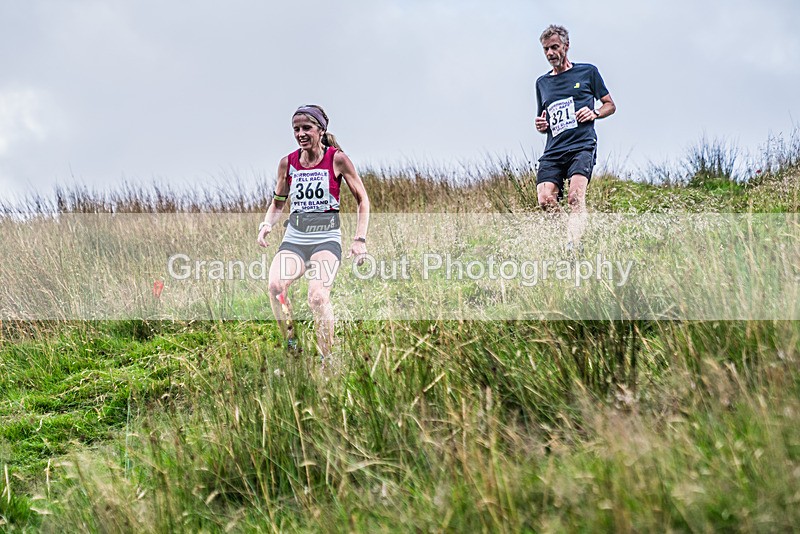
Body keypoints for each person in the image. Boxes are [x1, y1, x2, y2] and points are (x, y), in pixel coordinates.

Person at [257, 105, 370, 363]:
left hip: (326, 240)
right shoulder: (287, 163)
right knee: (275, 287)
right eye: (296, 129)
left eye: (306, 128)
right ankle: (291, 343)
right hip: (294, 240)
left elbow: (363, 199)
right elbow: (278, 202)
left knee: (318, 297)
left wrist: (359, 240)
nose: (301, 134)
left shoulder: (337, 159)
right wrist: (266, 224)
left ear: (320, 130)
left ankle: (325, 360)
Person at [534, 24, 616, 254]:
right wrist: (541, 126)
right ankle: (570, 234)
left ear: (566, 46)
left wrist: (594, 113)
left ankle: (573, 246)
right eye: (546, 49)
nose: (550, 53)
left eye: (554, 47)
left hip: (581, 146)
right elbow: (544, 119)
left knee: (574, 198)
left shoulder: (588, 72)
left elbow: (610, 105)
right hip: (553, 151)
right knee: (545, 199)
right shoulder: (542, 83)